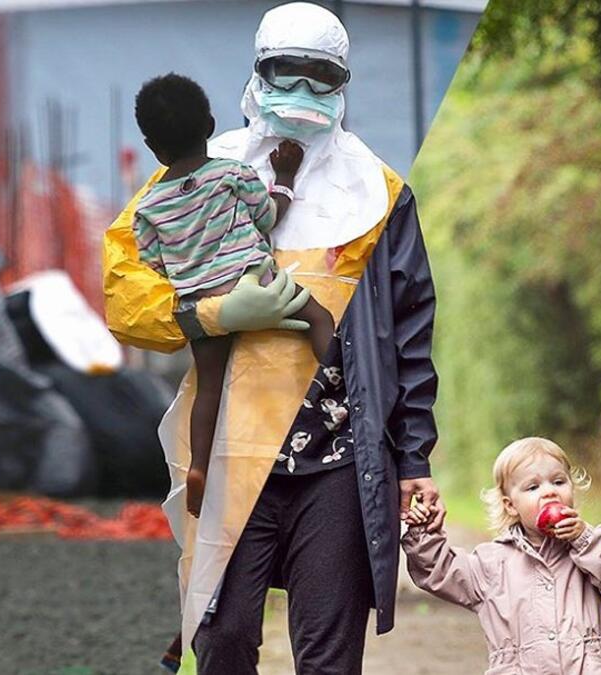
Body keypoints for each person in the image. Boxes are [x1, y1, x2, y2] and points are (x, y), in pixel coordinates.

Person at [103, 3, 439, 672]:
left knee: (330, 651)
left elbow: (410, 335)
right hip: (229, 453)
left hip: (339, 462)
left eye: (322, 78)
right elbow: (125, 295)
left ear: (343, 83)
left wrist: (415, 460)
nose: (305, 93)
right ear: (259, 72)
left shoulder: (381, 195)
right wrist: (214, 314)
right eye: (290, 74)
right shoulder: (199, 174)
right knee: (222, 639)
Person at [131, 74, 335, 519]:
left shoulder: (148, 206)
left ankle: (199, 466)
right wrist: (284, 175)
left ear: (152, 147)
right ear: (209, 123)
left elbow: (151, 261)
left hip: (204, 307)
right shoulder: (231, 174)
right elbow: (267, 217)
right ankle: (340, 397)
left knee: (209, 387)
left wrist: (191, 271)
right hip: (254, 283)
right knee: (319, 320)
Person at [403, 437, 601, 674]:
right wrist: (423, 531)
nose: (549, 492)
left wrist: (584, 537)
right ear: (510, 505)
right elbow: (438, 570)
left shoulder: (587, 552)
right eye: (533, 487)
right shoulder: (492, 563)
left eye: (558, 481)